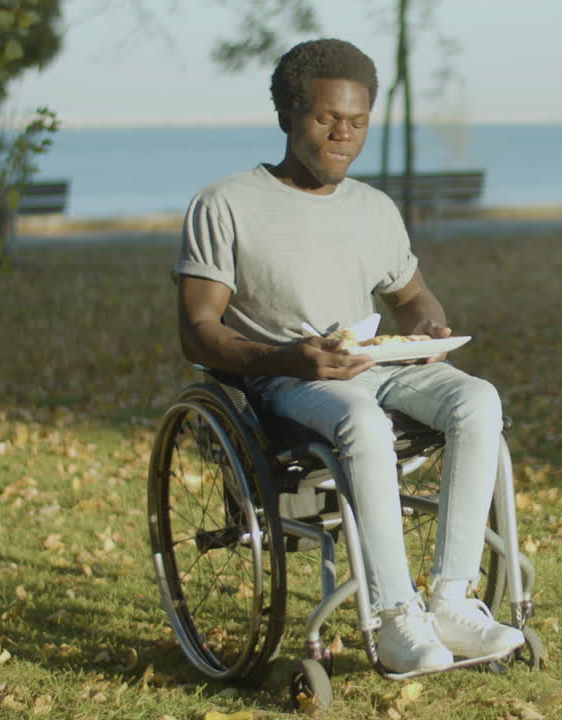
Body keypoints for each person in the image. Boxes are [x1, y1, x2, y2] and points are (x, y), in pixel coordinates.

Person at [172, 38, 523, 674]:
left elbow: (413, 297)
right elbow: (197, 330)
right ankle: (394, 620)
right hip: (286, 381)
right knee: (361, 421)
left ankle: (451, 601)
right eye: (326, 118)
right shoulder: (225, 205)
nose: (344, 135)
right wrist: (289, 357)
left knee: (478, 399)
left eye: (357, 122)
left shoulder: (373, 208)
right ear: (286, 115)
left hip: (379, 367)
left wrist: (426, 325)